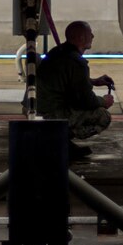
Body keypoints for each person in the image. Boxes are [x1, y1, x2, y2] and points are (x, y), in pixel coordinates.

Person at [34, 20, 115, 158]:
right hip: (54, 114)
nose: (93, 36)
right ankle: (58, 140)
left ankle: (59, 141)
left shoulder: (57, 52)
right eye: (90, 34)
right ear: (81, 38)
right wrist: (104, 101)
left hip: (41, 108)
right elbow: (85, 100)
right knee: (103, 116)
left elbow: (64, 80)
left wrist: (93, 81)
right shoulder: (77, 62)